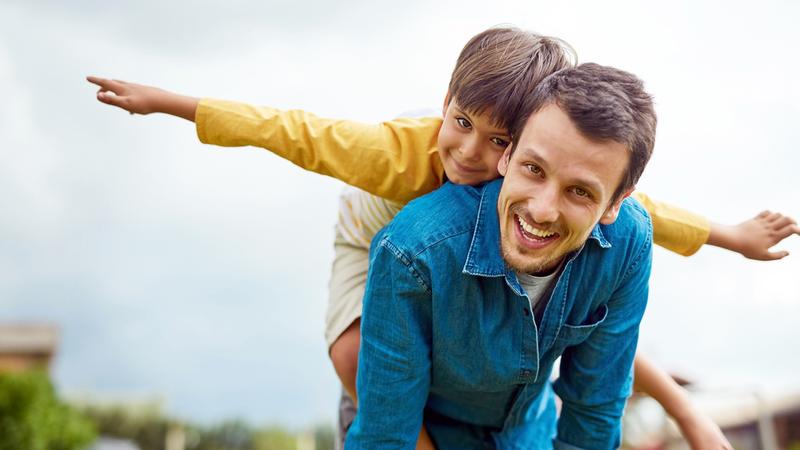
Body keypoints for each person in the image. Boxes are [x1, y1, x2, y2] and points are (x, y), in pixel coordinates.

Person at [87, 27, 798, 449]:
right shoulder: (396, 161)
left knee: (578, 309)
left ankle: (680, 403)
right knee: (357, 357)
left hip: (502, 319)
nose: (467, 154)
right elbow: (288, 130)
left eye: (497, 142)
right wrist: (167, 102)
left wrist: (732, 236)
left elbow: (645, 217)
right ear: (446, 102)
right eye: (460, 121)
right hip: (370, 247)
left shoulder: (588, 210)